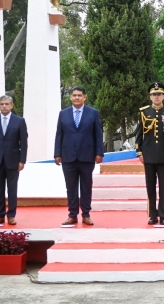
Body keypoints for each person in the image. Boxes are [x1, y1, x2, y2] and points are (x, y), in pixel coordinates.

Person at [54, 86, 104, 226]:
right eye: (74, 95)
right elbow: (59, 134)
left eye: (79, 95)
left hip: (87, 156)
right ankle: (72, 215)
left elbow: (97, 134)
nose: (77, 97)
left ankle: (86, 214)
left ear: (84, 97)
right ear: (70, 97)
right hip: (68, 156)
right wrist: (57, 153)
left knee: (86, 187)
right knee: (71, 187)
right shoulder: (63, 114)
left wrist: (99, 152)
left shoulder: (93, 113)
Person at [135, 82, 164, 225]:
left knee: (163, 187)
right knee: (150, 186)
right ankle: (152, 215)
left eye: (159, 94)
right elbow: (139, 135)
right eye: (154, 94)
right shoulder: (144, 112)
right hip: (148, 156)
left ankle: (163, 215)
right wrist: (139, 152)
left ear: (163, 96)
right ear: (150, 96)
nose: (156, 97)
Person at [0, 96, 28, 225]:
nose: (4, 106)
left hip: (13, 160)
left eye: (7, 104)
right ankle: (0, 215)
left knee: (12, 189)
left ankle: (11, 215)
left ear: (12, 105)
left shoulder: (19, 121)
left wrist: (22, 160)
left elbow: (23, 143)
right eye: (2, 104)